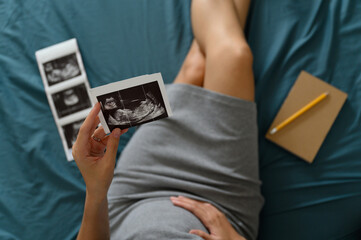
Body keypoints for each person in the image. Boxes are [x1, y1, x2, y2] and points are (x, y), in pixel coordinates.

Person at [72, 0, 264, 239]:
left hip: (137, 198)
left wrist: (96, 189)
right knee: (234, 57)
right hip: (219, 203)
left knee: (196, 66)